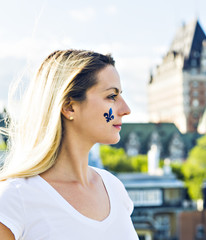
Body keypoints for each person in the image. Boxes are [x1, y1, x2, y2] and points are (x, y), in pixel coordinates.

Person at [0, 49, 139, 239]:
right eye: (112, 96)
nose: (126, 109)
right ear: (69, 106)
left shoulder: (113, 188)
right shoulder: (14, 199)